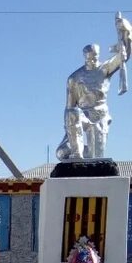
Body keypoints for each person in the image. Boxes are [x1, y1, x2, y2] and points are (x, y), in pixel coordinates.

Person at [56, 14, 131, 160]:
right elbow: (69, 108)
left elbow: (125, 55)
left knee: (95, 157)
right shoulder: (74, 78)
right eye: (89, 58)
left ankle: (86, 154)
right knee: (62, 152)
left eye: (95, 57)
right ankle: (77, 154)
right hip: (83, 116)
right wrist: (69, 129)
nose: (92, 60)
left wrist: (126, 31)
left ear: (98, 55)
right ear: (84, 57)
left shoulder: (104, 69)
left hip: (100, 116)